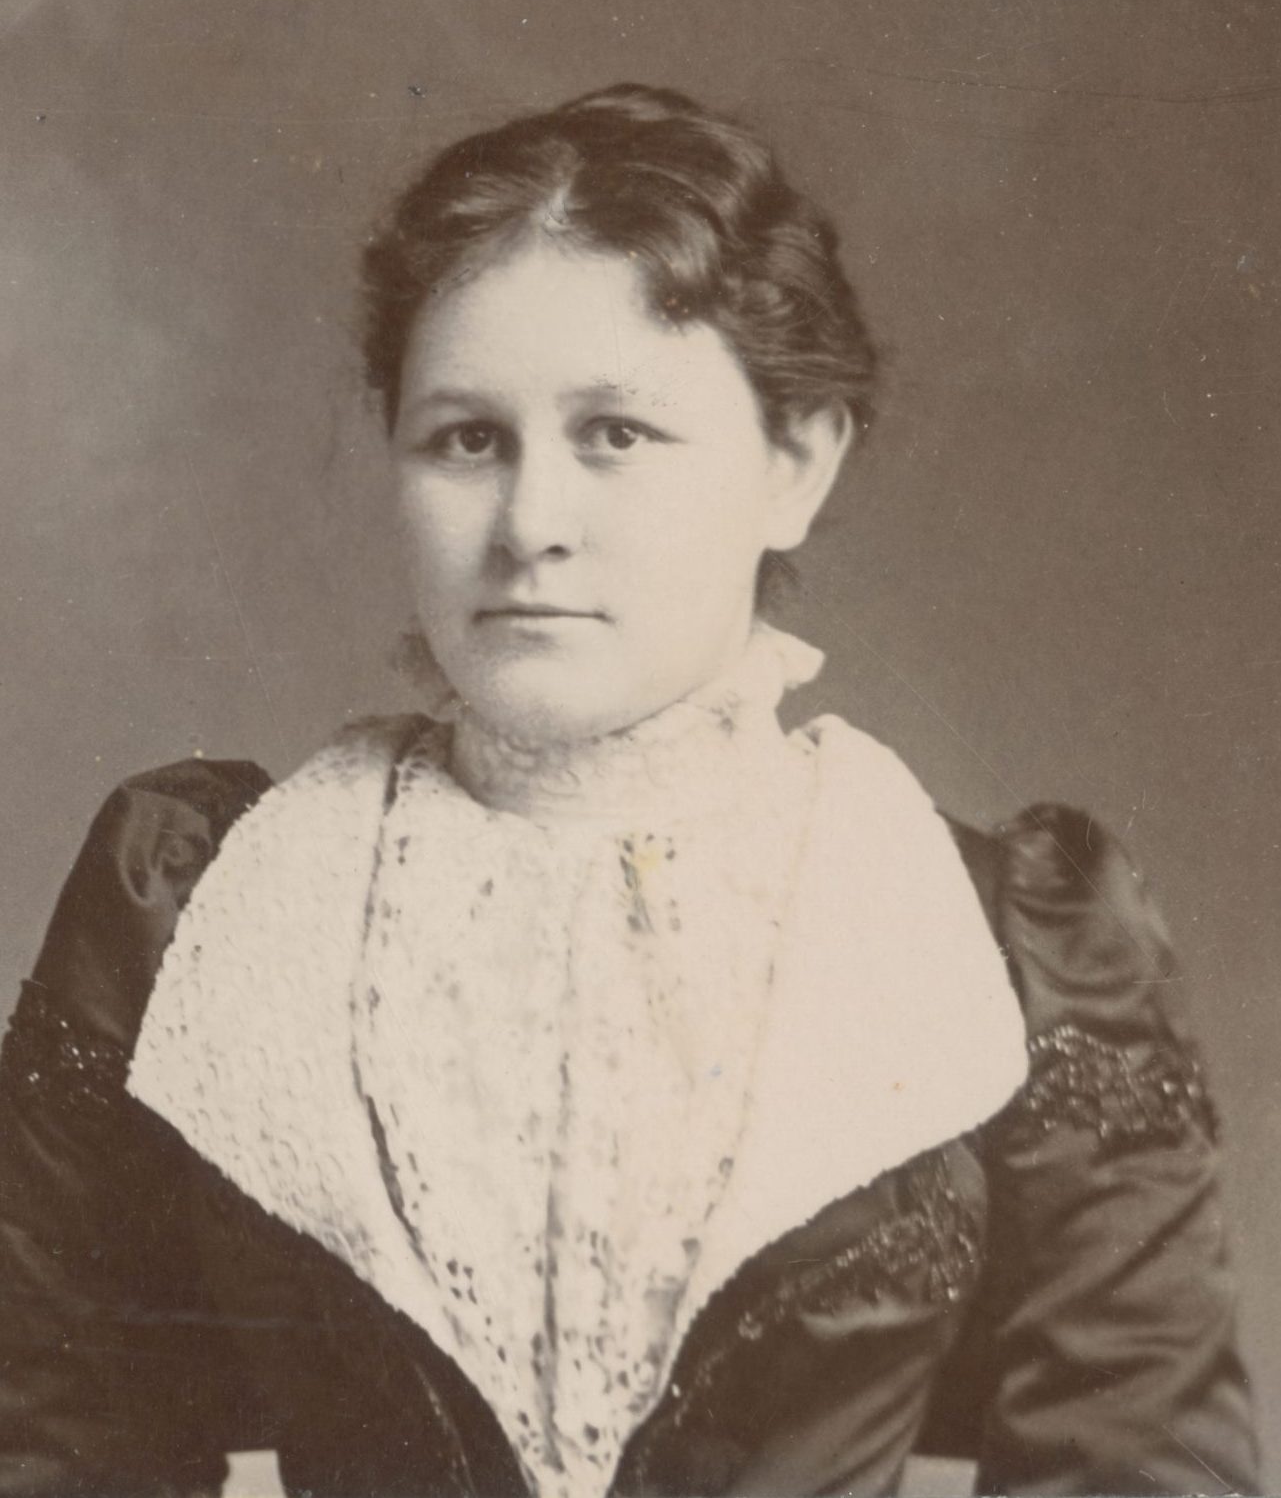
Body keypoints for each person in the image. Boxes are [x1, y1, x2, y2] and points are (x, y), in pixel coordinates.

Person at [0, 84, 1258, 1498]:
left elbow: (1140, 1469)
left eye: (616, 435)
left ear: (795, 463)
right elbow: (55, 1453)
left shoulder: (995, 949)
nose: (533, 525)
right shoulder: (204, 911)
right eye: (467, 438)